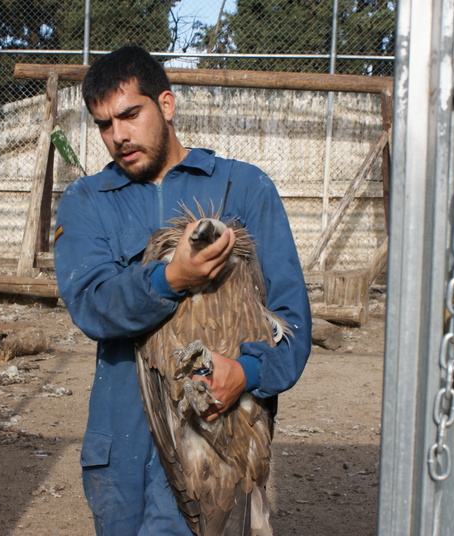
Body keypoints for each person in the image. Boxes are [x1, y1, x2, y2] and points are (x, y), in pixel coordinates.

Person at [53, 45, 312, 535]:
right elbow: (92, 305)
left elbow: (291, 321)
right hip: (123, 450)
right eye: (104, 124)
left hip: (218, 441)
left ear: (166, 105)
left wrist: (247, 371)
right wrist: (172, 279)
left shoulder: (245, 188)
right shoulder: (86, 202)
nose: (119, 136)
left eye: (130, 114)